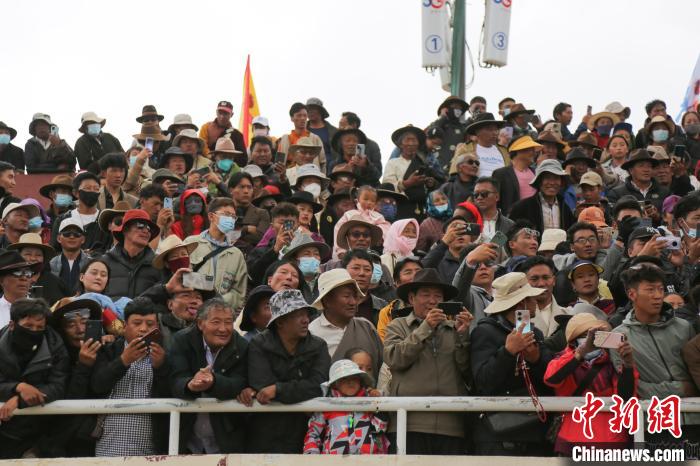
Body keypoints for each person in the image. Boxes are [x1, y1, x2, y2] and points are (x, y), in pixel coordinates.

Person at [384, 268, 473, 455]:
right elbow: (394, 359)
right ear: (411, 299)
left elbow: (466, 370)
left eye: (438, 296)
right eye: (425, 295)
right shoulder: (397, 325)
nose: (432, 301)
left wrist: (463, 336)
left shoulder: (454, 329)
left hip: (451, 424)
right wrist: (425, 328)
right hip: (408, 422)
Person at [611, 265, 700, 444]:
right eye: (650, 290)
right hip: (653, 424)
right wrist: (680, 389)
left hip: (694, 419)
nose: (658, 295)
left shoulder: (684, 327)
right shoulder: (619, 337)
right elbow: (637, 388)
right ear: (631, 294)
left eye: (660, 289)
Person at [470, 272, 554, 455]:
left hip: (534, 433)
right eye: (531, 298)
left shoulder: (535, 334)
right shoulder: (485, 332)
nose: (535, 302)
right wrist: (508, 352)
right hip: (498, 436)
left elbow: (551, 377)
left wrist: (536, 359)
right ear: (521, 303)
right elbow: (483, 382)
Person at [247, 289, 331, 453]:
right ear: (280, 322)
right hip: (265, 432)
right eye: (298, 315)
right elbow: (262, 386)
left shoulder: (318, 346)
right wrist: (295, 389)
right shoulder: (259, 344)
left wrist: (278, 389)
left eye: (306, 314)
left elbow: (319, 386)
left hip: (307, 432)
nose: (306, 320)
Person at [544, 312, 637, 455]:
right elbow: (551, 379)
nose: (591, 340)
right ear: (573, 340)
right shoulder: (561, 360)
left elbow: (624, 397)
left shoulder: (612, 361)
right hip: (571, 442)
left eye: (595, 336)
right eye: (586, 336)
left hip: (611, 441)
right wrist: (580, 353)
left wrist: (628, 365)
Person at [91, 298, 171, 456]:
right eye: (137, 323)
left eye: (150, 324)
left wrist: (161, 368)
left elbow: (171, 395)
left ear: (157, 327)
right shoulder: (108, 350)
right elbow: (97, 385)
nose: (143, 329)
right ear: (125, 326)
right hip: (109, 447)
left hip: (152, 451)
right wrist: (123, 361)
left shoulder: (164, 355)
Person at [169, 297, 249, 454]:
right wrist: (190, 385)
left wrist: (213, 382)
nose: (223, 329)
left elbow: (241, 383)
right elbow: (174, 380)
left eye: (228, 322)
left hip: (227, 437)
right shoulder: (182, 340)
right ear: (200, 323)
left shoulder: (241, 345)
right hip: (188, 438)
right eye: (216, 322)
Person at [0, 298, 70, 459]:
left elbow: (58, 386)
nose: (34, 331)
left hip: (42, 432)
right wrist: (18, 387)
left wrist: (19, 400)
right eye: (28, 326)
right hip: (5, 432)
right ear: (12, 325)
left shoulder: (55, 345)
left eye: (40, 327)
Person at [304, 359, 389, 455]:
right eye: (344, 378)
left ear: (360, 381)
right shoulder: (327, 405)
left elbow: (380, 428)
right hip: (333, 460)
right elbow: (313, 433)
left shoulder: (368, 401)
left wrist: (377, 404)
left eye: (354, 378)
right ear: (335, 384)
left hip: (367, 459)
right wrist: (312, 456)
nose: (350, 382)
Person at [309, 268, 383, 378]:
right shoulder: (312, 333)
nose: (353, 302)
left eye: (355, 296)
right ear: (327, 300)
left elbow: (383, 368)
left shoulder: (366, 327)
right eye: (346, 296)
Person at [185, 197, 248, 310]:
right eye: (226, 214)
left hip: (220, 312)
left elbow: (239, 292)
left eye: (233, 217)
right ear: (211, 216)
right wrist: (207, 291)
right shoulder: (191, 243)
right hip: (192, 308)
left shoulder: (236, 254)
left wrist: (220, 301)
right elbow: (182, 276)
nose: (230, 219)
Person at [101, 209, 161, 299]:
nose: (146, 231)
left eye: (149, 228)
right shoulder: (104, 262)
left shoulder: (158, 264)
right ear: (125, 229)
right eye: (140, 225)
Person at [509, 159, 575, 232]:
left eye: (556, 178)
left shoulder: (565, 209)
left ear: (561, 182)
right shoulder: (522, 208)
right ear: (539, 181)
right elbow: (511, 232)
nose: (552, 183)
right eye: (547, 178)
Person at [50, 171, 106, 253]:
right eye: (87, 188)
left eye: (96, 189)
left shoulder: (104, 220)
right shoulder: (62, 219)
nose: (92, 191)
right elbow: (55, 250)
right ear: (76, 193)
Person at [9, 232, 69, 306]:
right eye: (28, 254)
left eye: (38, 255)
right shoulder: (9, 281)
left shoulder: (56, 283)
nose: (33, 258)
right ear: (18, 256)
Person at [607, 148, 670, 215]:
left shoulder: (665, 192)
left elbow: (670, 218)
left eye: (649, 166)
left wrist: (658, 217)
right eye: (641, 166)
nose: (646, 170)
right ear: (631, 170)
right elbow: (612, 218)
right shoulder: (617, 193)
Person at [452, 243, 499, 331]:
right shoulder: (468, 295)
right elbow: (458, 291)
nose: (483, 267)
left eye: (488, 263)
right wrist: (470, 261)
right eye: (477, 264)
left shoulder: (506, 292)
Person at [421, 215, 479, 283]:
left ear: (470, 236)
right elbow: (422, 270)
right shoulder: (438, 260)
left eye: (464, 229)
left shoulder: (477, 257)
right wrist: (443, 243)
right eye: (455, 229)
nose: (460, 234)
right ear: (445, 236)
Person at [492, 135, 540, 214]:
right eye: (530, 149)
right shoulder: (501, 174)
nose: (534, 153)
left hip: (534, 218)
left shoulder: (536, 172)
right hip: (511, 219)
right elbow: (495, 201)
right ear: (518, 151)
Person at [451, 112, 509, 177]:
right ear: (477, 132)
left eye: (496, 129)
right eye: (489, 129)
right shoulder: (465, 148)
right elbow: (454, 173)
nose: (494, 133)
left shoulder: (504, 151)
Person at [277, 103, 326, 174]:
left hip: (312, 176)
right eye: (299, 115)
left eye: (305, 115)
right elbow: (279, 163)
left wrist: (321, 177)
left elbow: (323, 163)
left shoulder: (315, 138)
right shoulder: (285, 139)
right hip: (289, 177)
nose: (302, 118)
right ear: (292, 118)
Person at [228, 172, 270, 253]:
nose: (246, 191)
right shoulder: (223, 212)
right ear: (231, 190)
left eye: (249, 187)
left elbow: (261, 239)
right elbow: (221, 235)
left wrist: (238, 231)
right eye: (241, 187)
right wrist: (247, 229)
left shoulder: (262, 213)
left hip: (251, 255)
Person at [429, 96, 469, 172]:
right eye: (455, 106)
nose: (458, 109)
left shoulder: (464, 127)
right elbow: (432, 133)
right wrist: (442, 117)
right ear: (446, 109)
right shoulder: (438, 124)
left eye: (460, 108)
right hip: (438, 169)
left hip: (457, 170)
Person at [50, 218, 89, 294]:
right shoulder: (50, 264)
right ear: (58, 238)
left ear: (83, 239)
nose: (72, 237)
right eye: (67, 233)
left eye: (76, 234)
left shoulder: (91, 263)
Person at [472, 176, 515, 242]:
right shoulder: (469, 223)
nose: (479, 197)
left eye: (484, 194)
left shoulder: (510, 225)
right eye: (476, 194)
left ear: (497, 197)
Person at [305, 97, 337, 168]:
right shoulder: (302, 129)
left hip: (329, 168)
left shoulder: (334, 131)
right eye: (308, 109)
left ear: (321, 111)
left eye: (313, 109)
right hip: (306, 168)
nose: (310, 112)